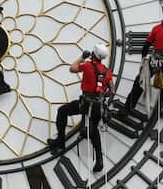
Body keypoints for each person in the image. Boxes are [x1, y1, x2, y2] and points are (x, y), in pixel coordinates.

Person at [49, 42, 115, 173]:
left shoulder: (88, 65)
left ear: (93, 54)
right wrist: (101, 95)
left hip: (85, 104)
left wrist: (82, 57)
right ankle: (99, 160)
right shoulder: (107, 72)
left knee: (62, 111)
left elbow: (72, 68)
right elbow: (112, 90)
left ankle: (60, 141)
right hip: (98, 106)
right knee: (94, 130)